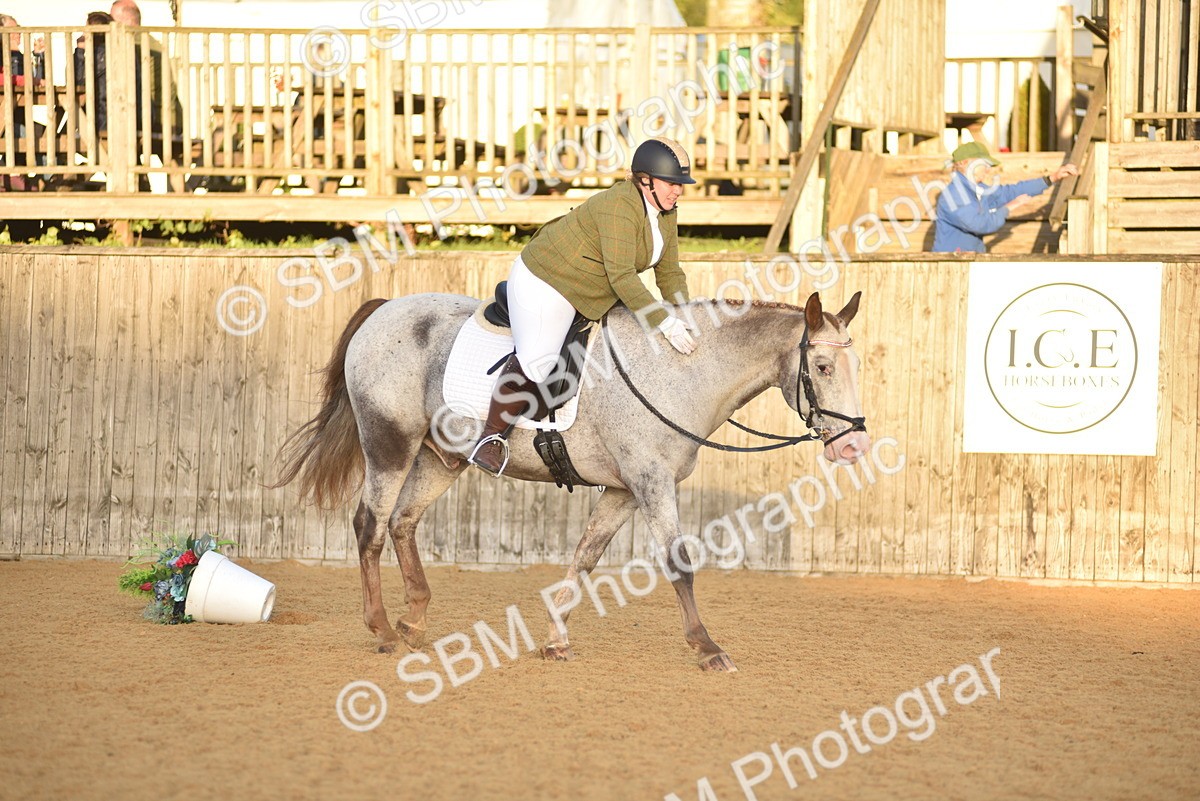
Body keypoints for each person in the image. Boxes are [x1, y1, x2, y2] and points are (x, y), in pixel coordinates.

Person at [468, 136, 698, 476]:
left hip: (593, 289)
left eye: (681, 185)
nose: (678, 191)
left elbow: (670, 272)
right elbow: (622, 277)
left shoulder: (665, 212)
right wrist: (664, 322)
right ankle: (490, 439)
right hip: (547, 281)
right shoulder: (620, 206)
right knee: (539, 361)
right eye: (672, 183)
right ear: (645, 180)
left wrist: (686, 316)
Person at [932, 141, 1078, 253]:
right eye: (984, 164)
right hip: (949, 268)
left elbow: (1011, 192)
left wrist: (1052, 178)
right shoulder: (954, 195)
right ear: (965, 163)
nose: (988, 170)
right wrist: (1008, 207)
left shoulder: (978, 190)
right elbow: (981, 224)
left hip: (964, 264)